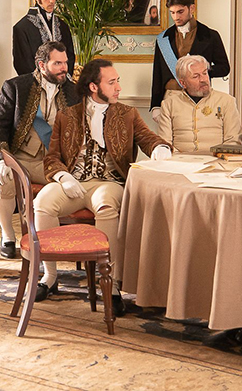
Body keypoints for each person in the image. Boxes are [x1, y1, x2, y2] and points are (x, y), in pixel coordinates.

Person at [34, 59, 172, 314]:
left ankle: (111, 283)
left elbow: (148, 138)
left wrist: (160, 148)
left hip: (108, 182)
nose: (119, 87)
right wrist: (64, 177)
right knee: (42, 202)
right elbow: (52, 158)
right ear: (93, 87)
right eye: (112, 82)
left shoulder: (128, 114)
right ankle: (50, 276)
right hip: (73, 183)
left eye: (118, 81)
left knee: (107, 206)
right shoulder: (67, 116)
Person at [0, 41, 80, 259]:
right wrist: (2, 160)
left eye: (65, 63)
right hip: (22, 159)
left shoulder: (74, 91)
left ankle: (52, 242)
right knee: (1, 181)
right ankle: (8, 236)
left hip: (56, 162)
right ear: (41, 65)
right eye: (57, 63)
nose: (64, 68)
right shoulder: (16, 87)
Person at [150, 0, 230, 122]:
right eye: (172, 12)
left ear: (191, 8)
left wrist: (203, 69)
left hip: (200, 97)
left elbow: (224, 68)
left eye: (180, 12)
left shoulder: (210, 36)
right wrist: (155, 105)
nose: (176, 17)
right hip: (170, 97)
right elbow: (157, 74)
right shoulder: (163, 39)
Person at [157, 54, 242, 153]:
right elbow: (165, 143)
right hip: (179, 159)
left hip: (217, 159)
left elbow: (233, 141)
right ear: (183, 83)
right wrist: (178, 159)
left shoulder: (226, 101)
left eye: (205, 73)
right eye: (196, 76)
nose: (203, 79)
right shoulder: (169, 104)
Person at [12, 0, 76, 76]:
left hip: (62, 83)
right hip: (35, 84)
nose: (52, 1)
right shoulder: (21, 28)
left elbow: (70, 57)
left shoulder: (63, 26)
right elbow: (22, 64)